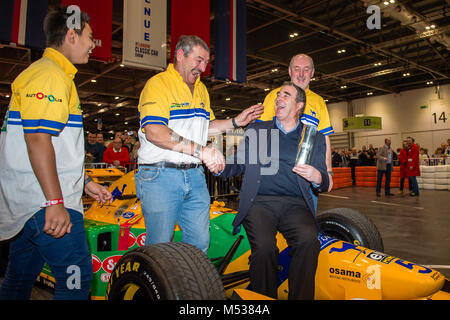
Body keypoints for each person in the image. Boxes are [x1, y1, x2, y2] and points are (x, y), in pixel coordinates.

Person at [0, 7, 112, 300]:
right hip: (44, 203)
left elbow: (56, 144)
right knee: (77, 275)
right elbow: (37, 139)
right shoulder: (50, 77)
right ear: (72, 35)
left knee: (19, 278)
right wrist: (54, 201)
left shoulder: (48, 74)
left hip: (30, 207)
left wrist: (85, 182)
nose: (93, 44)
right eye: (90, 37)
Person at [135, 35, 263, 252]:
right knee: (160, 247)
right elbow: (155, 131)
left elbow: (207, 126)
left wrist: (235, 121)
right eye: (198, 60)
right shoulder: (158, 85)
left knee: (200, 243)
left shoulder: (201, 89)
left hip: (194, 176)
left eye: (206, 62)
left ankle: (188, 286)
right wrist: (201, 151)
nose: (203, 68)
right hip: (161, 175)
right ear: (179, 56)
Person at [218, 82, 329, 299]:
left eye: (285, 95)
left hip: (295, 204)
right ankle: (263, 299)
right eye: (278, 95)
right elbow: (237, 163)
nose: (278, 99)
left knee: (309, 241)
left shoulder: (313, 137)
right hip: (260, 202)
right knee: (265, 248)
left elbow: (324, 180)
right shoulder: (257, 130)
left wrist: (317, 177)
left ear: (299, 106)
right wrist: (218, 164)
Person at [257, 54, 334, 191]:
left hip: (308, 175)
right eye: (297, 69)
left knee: (304, 212)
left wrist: (328, 172)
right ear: (289, 71)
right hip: (277, 175)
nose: (301, 74)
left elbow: (325, 139)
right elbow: (260, 132)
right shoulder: (274, 96)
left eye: (306, 69)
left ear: (312, 73)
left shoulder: (319, 102)